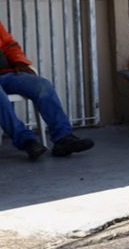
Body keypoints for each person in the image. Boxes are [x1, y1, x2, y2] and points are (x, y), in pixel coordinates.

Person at [0, 21, 93, 161]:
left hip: (6, 73)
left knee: (42, 86)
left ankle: (63, 138)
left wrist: (19, 61)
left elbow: (9, 44)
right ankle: (27, 142)